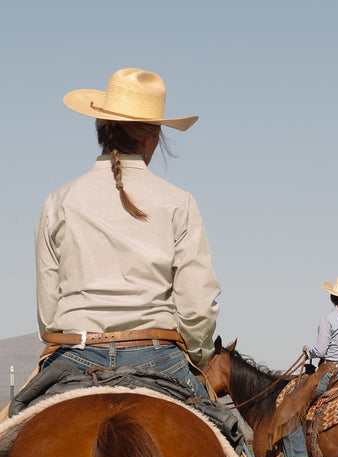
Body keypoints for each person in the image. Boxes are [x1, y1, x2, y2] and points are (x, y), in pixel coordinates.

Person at [34, 68, 220, 399]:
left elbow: (49, 314)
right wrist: (196, 354)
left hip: (75, 350)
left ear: (100, 129)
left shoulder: (58, 202)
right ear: (151, 139)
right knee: (231, 441)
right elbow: (197, 307)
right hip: (159, 356)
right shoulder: (179, 202)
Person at [278, 276, 338, 457]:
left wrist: (307, 349)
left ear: (332, 298)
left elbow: (320, 349)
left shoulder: (328, 318)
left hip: (331, 372)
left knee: (292, 404)